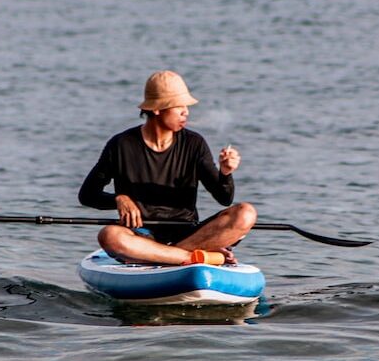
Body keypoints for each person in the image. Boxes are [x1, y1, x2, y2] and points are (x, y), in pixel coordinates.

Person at [78, 70, 256, 265]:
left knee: (246, 213)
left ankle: (167, 256)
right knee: (109, 235)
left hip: (189, 234)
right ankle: (192, 258)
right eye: (179, 106)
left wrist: (225, 173)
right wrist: (119, 199)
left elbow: (224, 199)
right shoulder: (121, 144)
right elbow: (87, 195)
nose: (186, 112)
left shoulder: (194, 143)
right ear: (157, 109)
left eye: (186, 106)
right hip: (140, 236)